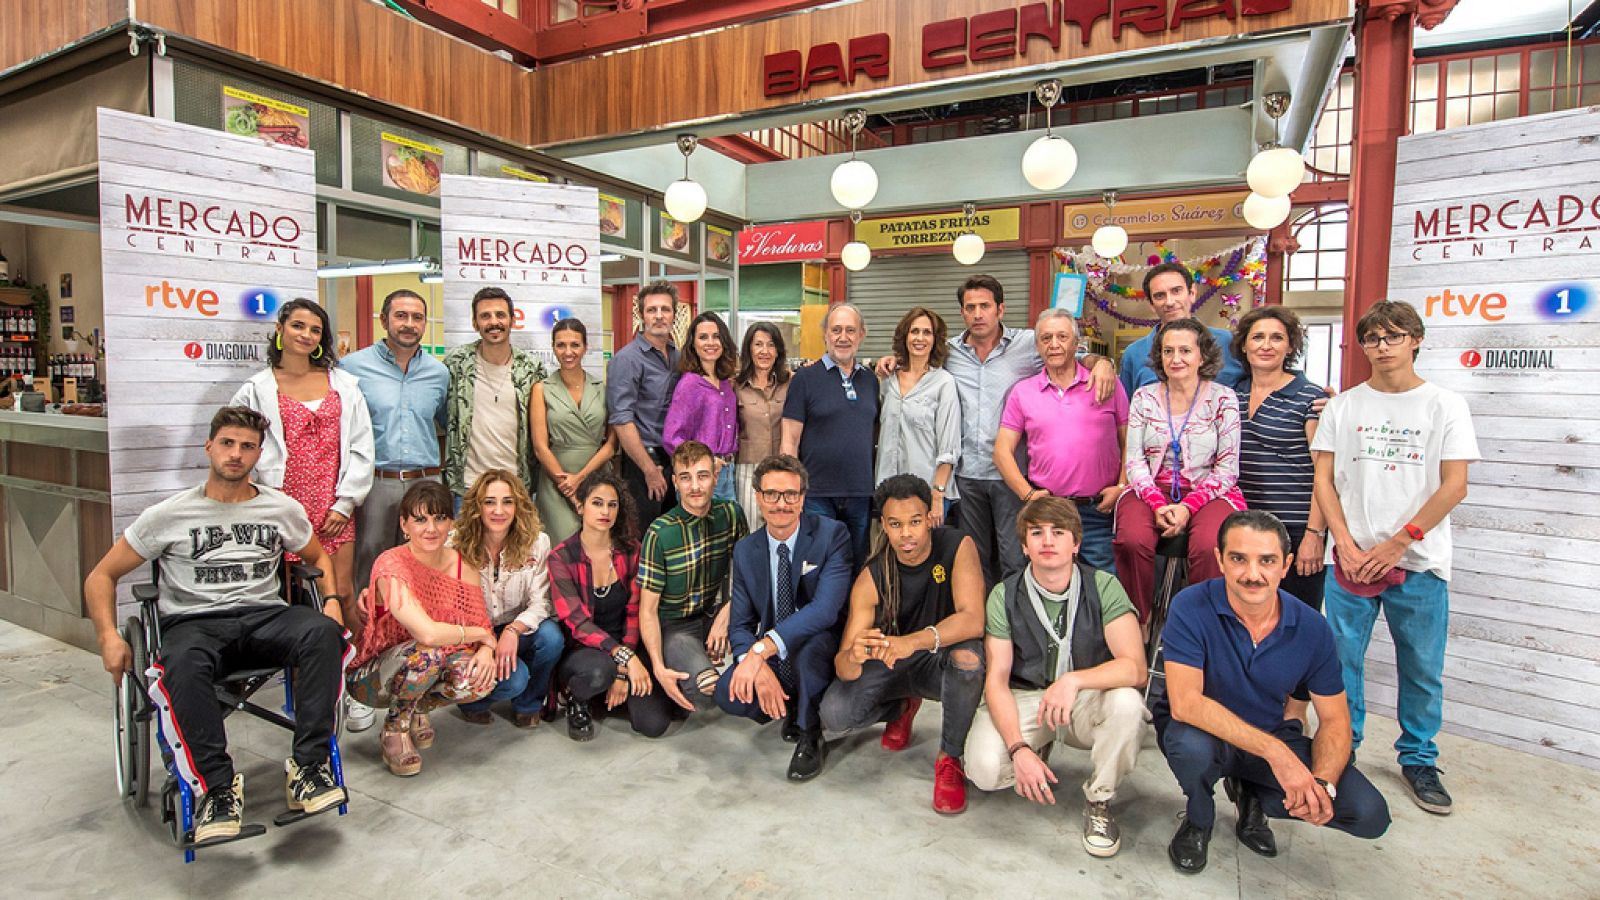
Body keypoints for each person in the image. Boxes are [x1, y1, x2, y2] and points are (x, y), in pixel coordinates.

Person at [84, 406, 348, 843]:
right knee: (180, 663)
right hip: (196, 622)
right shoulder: (169, 514)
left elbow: (318, 556)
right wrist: (108, 636)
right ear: (208, 447)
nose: (236, 454)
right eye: (227, 443)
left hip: (265, 616)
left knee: (322, 633)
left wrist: (334, 602)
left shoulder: (280, 508)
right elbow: (101, 576)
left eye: (247, 447)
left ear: (258, 455)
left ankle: (309, 767)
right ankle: (216, 789)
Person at [1155, 510, 1390, 874]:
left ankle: (1254, 797)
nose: (1252, 574)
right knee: (1189, 746)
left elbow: (1335, 719)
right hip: (1206, 733)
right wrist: (1277, 754)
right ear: (1219, 560)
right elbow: (1186, 704)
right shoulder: (1190, 606)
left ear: (1286, 565)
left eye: (1267, 561)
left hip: (1269, 732)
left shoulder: (1313, 628)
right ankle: (1199, 818)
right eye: (1238, 559)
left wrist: (1322, 785)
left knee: (1368, 814)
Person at [1312, 300, 1478, 815]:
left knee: (1422, 668)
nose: (1381, 346)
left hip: (1419, 562)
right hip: (1350, 561)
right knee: (1341, 666)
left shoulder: (1444, 405)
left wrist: (1396, 544)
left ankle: (1419, 758)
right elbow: (1323, 478)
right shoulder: (1344, 407)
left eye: (1393, 336)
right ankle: (1344, 748)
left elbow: (1455, 486)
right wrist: (1344, 542)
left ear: (1415, 340)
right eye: (1372, 338)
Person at [964, 496, 1148, 858]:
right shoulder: (1004, 595)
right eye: (1037, 533)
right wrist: (1017, 748)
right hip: (1028, 696)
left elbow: (1135, 668)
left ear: (1076, 543)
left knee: (1127, 703)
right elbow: (997, 680)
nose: (1047, 541)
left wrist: (1073, 681)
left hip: (1083, 700)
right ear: (1024, 545)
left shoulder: (1104, 586)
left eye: (1058, 532)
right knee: (984, 771)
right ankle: (1035, 749)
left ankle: (1099, 800)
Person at [819, 475, 985, 814]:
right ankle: (902, 707)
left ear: (929, 519)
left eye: (914, 522)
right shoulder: (872, 576)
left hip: (938, 658)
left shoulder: (956, 545)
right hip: (891, 662)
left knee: (969, 661)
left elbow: (973, 619)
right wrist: (854, 653)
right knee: (834, 714)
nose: (906, 534)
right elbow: (843, 666)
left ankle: (950, 757)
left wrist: (913, 641)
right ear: (884, 526)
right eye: (896, 524)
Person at [936, 275, 1114, 586]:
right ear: (962, 313)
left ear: (1000, 309)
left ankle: (1018, 623)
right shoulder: (948, 353)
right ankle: (986, 624)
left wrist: (1102, 362)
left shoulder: (1027, 344)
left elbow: (1068, 349)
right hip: (965, 474)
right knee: (974, 558)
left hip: (1011, 476)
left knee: (1014, 556)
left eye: (985, 306)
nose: (978, 314)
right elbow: (916, 359)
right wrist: (890, 361)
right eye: (970, 307)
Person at [341, 288, 449, 733]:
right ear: (383, 319)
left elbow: (441, 425)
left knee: (424, 585)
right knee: (371, 582)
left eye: (417, 317)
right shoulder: (352, 369)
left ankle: (412, 682)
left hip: (426, 482)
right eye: (400, 315)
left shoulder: (438, 373)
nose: (409, 323)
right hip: (378, 484)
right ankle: (363, 685)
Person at [346, 480, 498, 776]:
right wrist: (480, 636)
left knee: (479, 679)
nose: (431, 528)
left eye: (440, 518)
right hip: (374, 677)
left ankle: (418, 709)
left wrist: (486, 649)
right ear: (404, 525)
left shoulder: (460, 564)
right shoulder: (391, 564)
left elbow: (481, 624)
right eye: (420, 519)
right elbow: (427, 633)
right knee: (428, 653)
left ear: (451, 523)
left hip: (429, 661)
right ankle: (394, 729)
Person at [230, 297, 374, 609]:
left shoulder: (344, 385)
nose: (306, 335)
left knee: (341, 591)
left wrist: (345, 504)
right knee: (292, 595)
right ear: (279, 329)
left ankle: (353, 658)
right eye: (298, 326)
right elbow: (235, 441)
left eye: (315, 330)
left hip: (333, 505)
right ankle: (305, 655)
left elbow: (362, 446)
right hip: (283, 505)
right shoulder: (255, 389)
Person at [716, 454, 852, 781]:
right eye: (772, 494)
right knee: (726, 691)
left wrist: (762, 650)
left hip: (820, 642)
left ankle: (810, 733)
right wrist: (754, 661)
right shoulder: (746, 550)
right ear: (758, 498)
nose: (782, 503)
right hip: (774, 650)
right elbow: (740, 623)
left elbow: (824, 610)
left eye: (791, 494)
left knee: (809, 652)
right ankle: (789, 704)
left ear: (803, 498)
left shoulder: (832, 535)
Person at [1231, 306, 1329, 729]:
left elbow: (1324, 473)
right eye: (1257, 337)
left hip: (1293, 529)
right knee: (1250, 617)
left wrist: (1313, 533)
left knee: (1297, 622)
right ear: (1244, 345)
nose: (1265, 345)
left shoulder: (1310, 398)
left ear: (1291, 345)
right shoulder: (1230, 394)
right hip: (1244, 528)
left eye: (1275, 337)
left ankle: (1295, 709)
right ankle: (1250, 699)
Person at [1113, 318, 1245, 622]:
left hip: (1210, 492)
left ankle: (1199, 625)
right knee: (1131, 540)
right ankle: (1136, 622)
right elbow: (1133, 461)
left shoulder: (1223, 399)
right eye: (1168, 351)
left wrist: (1187, 507)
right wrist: (1158, 504)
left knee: (1211, 545)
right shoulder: (1144, 398)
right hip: (1149, 489)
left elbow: (1227, 469)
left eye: (1185, 350)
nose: (1176, 359)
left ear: (1202, 356)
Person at [993, 308, 1128, 572]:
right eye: (1045, 338)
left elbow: (1130, 442)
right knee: (1050, 585)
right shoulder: (1023, 392)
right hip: (1047, 510)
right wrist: (1028, 495)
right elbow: (1001, 452)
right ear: (1037, 346)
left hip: (1097, 510)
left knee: (1102, 586)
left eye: (1062, 337)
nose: (1053, 345)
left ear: (1076, 343)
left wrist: (1122, 485)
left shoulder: (1105, 383)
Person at [550, 470, 673, 740]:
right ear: (580, 506)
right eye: (597, 503)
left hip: (626, 644)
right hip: (585, 651)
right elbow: (578, 624)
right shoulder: (561, 557)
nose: (605, 511)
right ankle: (577, 697)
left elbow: (634, 611)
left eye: (612, 504)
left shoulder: (631, 550)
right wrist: (623, 660)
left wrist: (624, 665)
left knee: (654, 724)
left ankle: (612, 690)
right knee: (598, 672)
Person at [639, 440, 748, 715]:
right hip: (677, 626)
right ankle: (683, 670)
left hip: (714, 614)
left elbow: (751, 576)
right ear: (674, 482)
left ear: (716, 476)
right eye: (685, 478)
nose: (695, 487)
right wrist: (658, 666)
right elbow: (648, 610)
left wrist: (727, 612)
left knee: (760, 661)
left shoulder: (731, 514)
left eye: (702, 475)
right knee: (708, 691)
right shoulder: (660, 532)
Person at [451, 470, 563, 728]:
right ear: (477, 507)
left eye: (507, 501)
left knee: (551, 638)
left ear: (518, 506)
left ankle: (528, 704)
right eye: (489, 501)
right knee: (515, 679)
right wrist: (484, 642)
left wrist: (513, 631)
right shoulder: (455, 543)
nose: (498, 510)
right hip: (473, 633)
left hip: (518, 626)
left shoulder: (537, 542)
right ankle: (473, 702)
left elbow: (542, 602)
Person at [780, 303, 877, 569]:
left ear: (861, 334)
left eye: (850, 330)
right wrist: (791, 491)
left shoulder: (870, 380)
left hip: (860, 493)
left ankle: (850, 613)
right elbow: (789, 440)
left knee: (856, 565)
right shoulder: (805, 379)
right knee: (816, 567)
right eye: (836, 330)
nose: (843, 337)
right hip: (816, 493)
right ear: (825, 334)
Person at [443, 286, 546, 502]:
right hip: (468, 488)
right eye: (485, 316)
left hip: (516, 487)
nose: (493, 322)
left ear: (512, 320)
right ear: (475, 323)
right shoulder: (456, 364)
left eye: (500, 315)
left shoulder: (531, 369)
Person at [530, 318, 616, 542]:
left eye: (575, 345)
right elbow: (540, 447)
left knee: (597, 545)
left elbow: (612, 444)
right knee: (562, 548)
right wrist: (567, 486)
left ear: (585, 347)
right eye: (561, 345)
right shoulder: (541, 389)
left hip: (597, 478)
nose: (568, 352)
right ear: (553, 348)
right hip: (556, 482)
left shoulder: (603, 389)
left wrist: (580, 478)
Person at [875, 308, 961, 526]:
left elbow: (949, 447)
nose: (920, 338)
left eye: (927, 332)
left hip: (926, 492)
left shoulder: (944, 383)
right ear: (905, 336)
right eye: (914, 331)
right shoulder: (888, 380)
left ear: (935, 339)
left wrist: (938, 495)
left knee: (925, 555)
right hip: (888, 489)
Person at [608, 281, 680, 525]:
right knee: (643, 539)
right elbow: (621, 419)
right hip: (644, 464)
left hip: (673, 461)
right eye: (651, 310)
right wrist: (649, 470)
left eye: (665, 309)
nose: (659, 316)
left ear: (674, 314)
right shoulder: (627, 360)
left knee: (671, 537)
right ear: (641, 315)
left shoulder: (678, 356)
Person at [1117, 262, 1244, 396]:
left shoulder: (1227, 342)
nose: (1170, 302)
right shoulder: (1134, 354)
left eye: (1176, 291)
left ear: (1192, 293)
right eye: (1160, 295)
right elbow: (1126, 410)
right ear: (1151, 305)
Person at [662, 311, 740, 501]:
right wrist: (705, 461)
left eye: (716, 336)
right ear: (693, 344)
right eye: (703, 337)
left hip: (728, 471)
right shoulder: (690, 384)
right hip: (701, 475)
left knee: (727, 529)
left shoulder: (725, 383)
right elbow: (671, 437)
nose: (710, 343)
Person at [733, 322, 791, 531]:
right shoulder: (735, 386)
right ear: (749, 349)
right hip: (748, 469)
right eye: (758, 344)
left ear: (778, 351)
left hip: (783, 469)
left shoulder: (790, 383)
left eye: (771, 345)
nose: (764, 351)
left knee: (781, 529)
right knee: (750, 530)